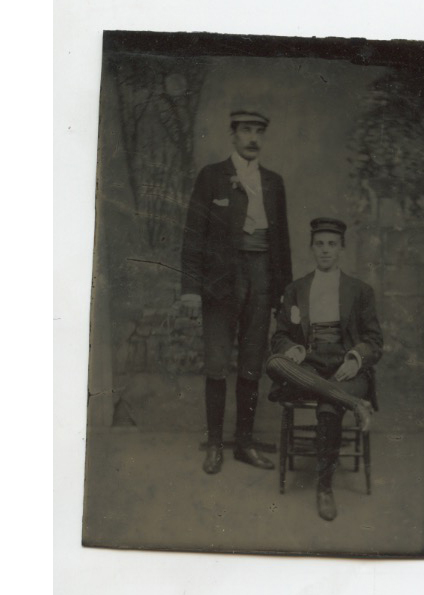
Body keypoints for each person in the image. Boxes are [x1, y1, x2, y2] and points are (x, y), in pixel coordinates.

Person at [180, 107, 292, 474]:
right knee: (217, 362)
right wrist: (191, 288)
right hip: (221, 280)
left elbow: (282, 242)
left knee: (252, 362)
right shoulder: (212, 176)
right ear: (233, 134)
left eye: (259, 131)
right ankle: (215, 444)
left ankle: (244, 443)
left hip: (262, 277)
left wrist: (284, 294)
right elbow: (194, 234)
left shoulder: (273, 182)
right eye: (246, 130)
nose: (253, 138)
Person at [266, 217, 383, 521]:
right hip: (309, 367)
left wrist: (355, 359)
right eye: (319, 244)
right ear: (311, 248)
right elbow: (279, 337)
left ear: (341, 248)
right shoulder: (296, 289)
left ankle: (324, 488)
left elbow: (374, 340)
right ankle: (354, 404)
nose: (325, 250)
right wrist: (293, 349)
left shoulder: (360, 290)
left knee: (329, 408)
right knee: (275, 362)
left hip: (346, 368)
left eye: (332, 244)